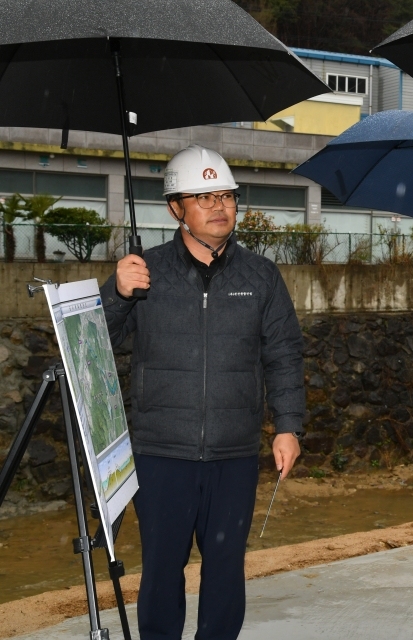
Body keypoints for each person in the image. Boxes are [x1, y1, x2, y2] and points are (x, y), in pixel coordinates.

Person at [100, 145, 305, 640]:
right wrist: (116, 292)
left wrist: (289, 427)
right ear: (176, 208)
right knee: (161, 573)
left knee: (225, 571)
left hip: (233, 454)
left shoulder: (261, 276)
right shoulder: (143, 272)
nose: (219, 206)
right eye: (204, 197)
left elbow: (284, 354)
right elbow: (94, 349)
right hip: (159, 452)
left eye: (227, 196)